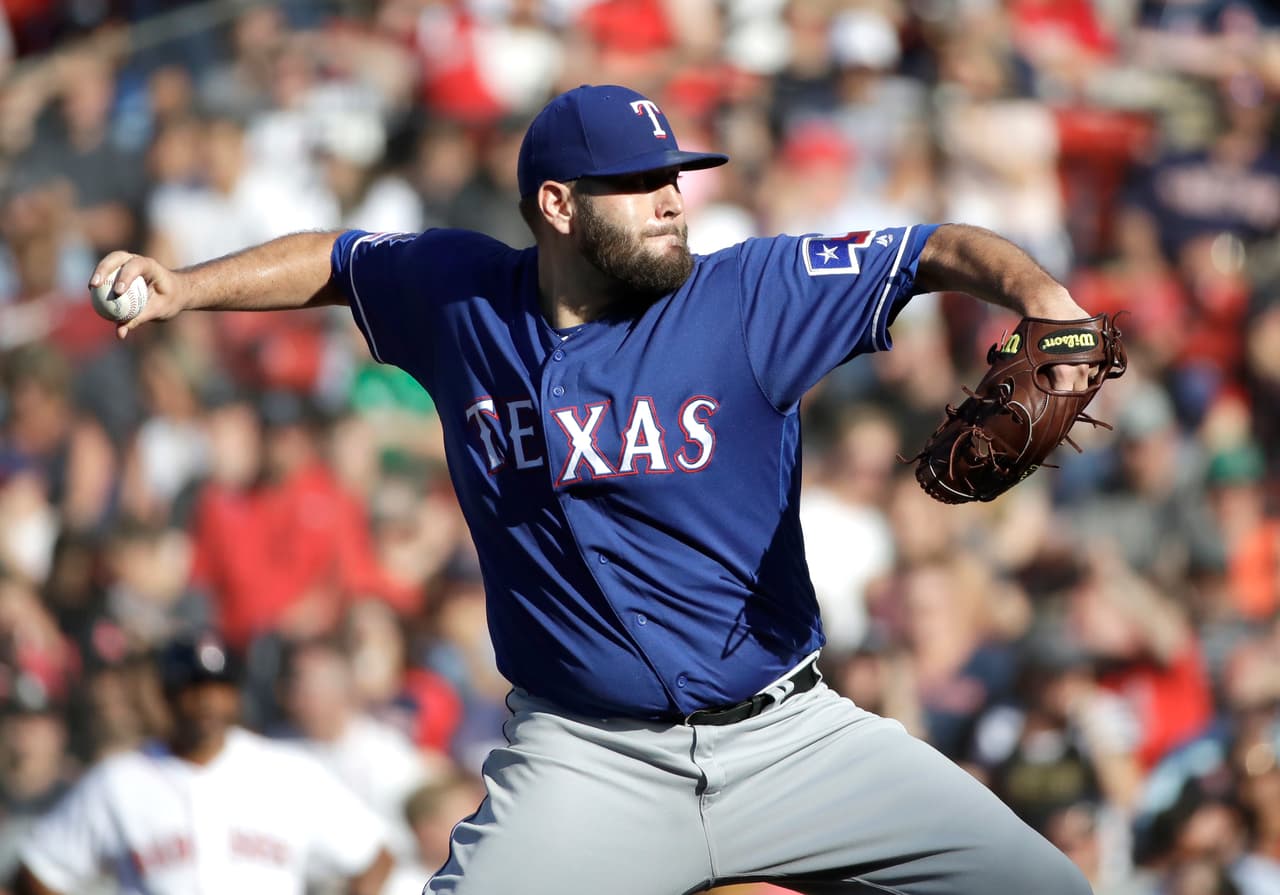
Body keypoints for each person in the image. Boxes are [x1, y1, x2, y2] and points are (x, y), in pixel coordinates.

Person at [88, 84, 1099, 894]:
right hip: (584, 758)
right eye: (637, 182)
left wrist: (1044, 302)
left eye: (673, 176)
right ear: (556, 206)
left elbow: (933, 249)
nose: (670, 199)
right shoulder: (462, 295)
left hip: (790, 734)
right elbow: (337, 261)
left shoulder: (745, 293)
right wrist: (182, 287)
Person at [14, 633, 393, 895]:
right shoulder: (121, 780)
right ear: (167, 696)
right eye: (193, 689)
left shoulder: (287, 771)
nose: (208, 703)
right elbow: (38, 870)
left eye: (219, 688)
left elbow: (374, 854)